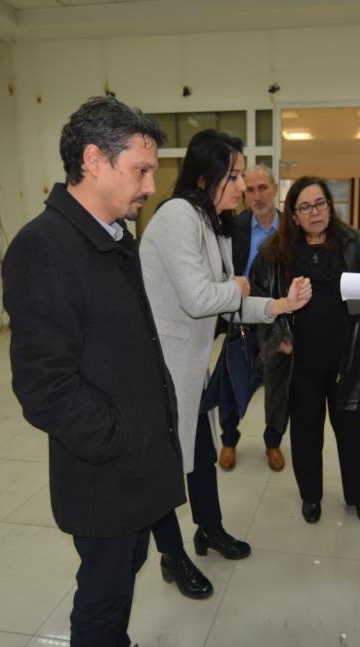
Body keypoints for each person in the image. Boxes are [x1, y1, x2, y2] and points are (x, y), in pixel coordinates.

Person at [2, 96, 179, 647]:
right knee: (102, 590)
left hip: (134, 460)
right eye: (141, 170)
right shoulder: (45, 246)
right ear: (94, 160)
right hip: (103, 469)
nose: (150, 186)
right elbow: (43, 387)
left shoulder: (111, 235)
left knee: (125, 571)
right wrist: (120, 440)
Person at [140, 130, 311, 601]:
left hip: (191, 369)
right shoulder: (177, 216)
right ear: (205, 178)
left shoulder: (210, 223)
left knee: (201, 454)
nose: (242, 187)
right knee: (166, 470)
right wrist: (235, 287)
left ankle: (208, 528)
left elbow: (229, 303)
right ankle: (171, 555)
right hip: (163, 371)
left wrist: (279, 305)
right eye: (233, 177)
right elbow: (203, 299)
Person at [250, 176, 360, 526]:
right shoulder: (274, 255)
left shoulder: (353, 248)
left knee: (351, 432)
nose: (314, 212)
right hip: (301, 363)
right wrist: (277, 336)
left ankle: (359, 497)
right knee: (306, 434)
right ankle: (311, 497)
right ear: (294, 216)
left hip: (347, 359)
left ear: (330, 206)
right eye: (305, 207)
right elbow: (259, 302)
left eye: (320, 203)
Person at [217, 164, 287, 472]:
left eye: (263, 188)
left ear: (275, 189)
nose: (257, 196)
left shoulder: (290, 229)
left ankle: (273, 442)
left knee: (277, 389)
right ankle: (229, 440)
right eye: (250, 190)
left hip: (278, 320)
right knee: (232, 382)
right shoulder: (233, 227)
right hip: (242, 317)